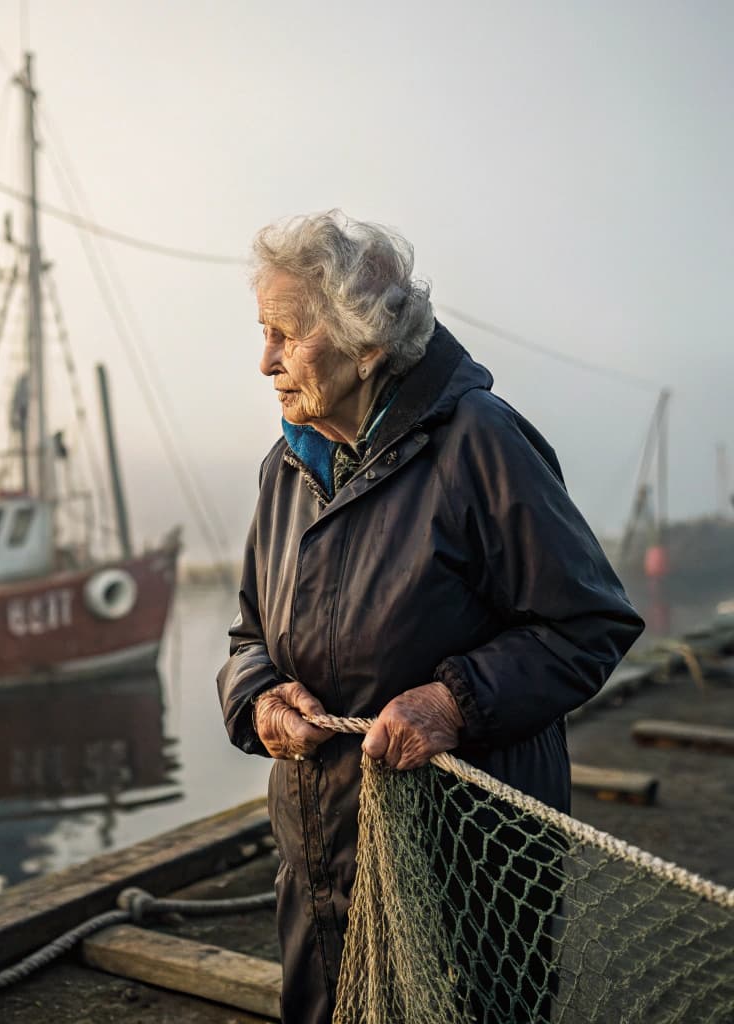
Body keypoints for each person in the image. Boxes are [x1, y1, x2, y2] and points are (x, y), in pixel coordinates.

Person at [216, 211, 644, 1024]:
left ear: (365, 341)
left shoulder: (482, 443)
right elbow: (247, 640)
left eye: (285, 334)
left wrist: (452, 703)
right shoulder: (286, 468)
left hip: (471, 871)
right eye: (262, 332)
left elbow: (587, 625)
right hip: (321, 865)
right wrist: (259, 699)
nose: (264, 361)